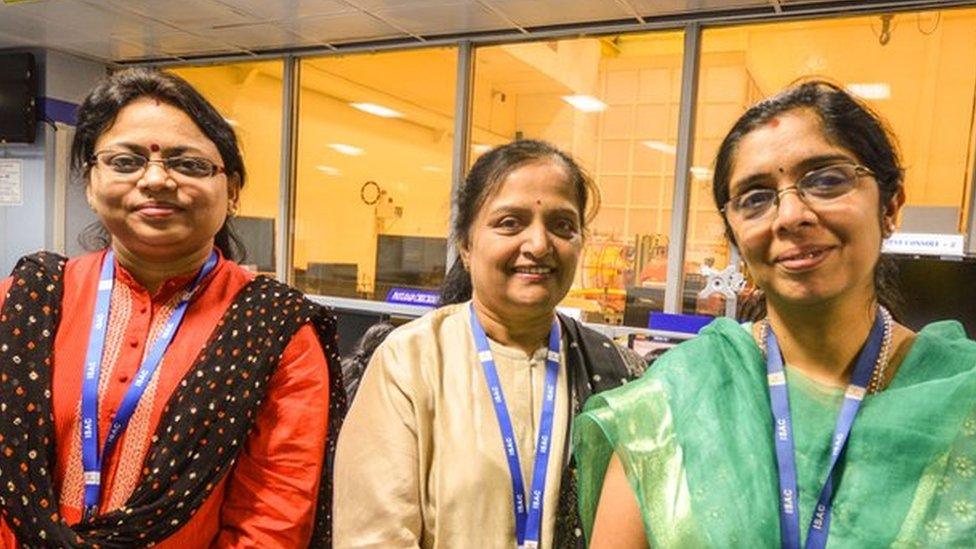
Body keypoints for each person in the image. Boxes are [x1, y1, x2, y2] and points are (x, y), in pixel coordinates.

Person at [575, 80, 976, 547]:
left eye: (826, 180)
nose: (790, 215)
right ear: (736, 240)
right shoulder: (670, 403)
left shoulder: (962, 398)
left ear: (890, 206)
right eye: (756, 197)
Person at [0, 68, 345, 547]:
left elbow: (271, 520)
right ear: (91, 183)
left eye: (190, 164)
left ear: (234, 190)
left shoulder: (276, 329)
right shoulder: (27, 301)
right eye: (125, 161)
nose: (157, 179)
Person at [333, 140, 646, 548]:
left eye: (562, 225)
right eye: (510, 223)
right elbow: (372, 538)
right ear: (465, 245)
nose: (538, 244)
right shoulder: (410, 362)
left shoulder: (620, 374)